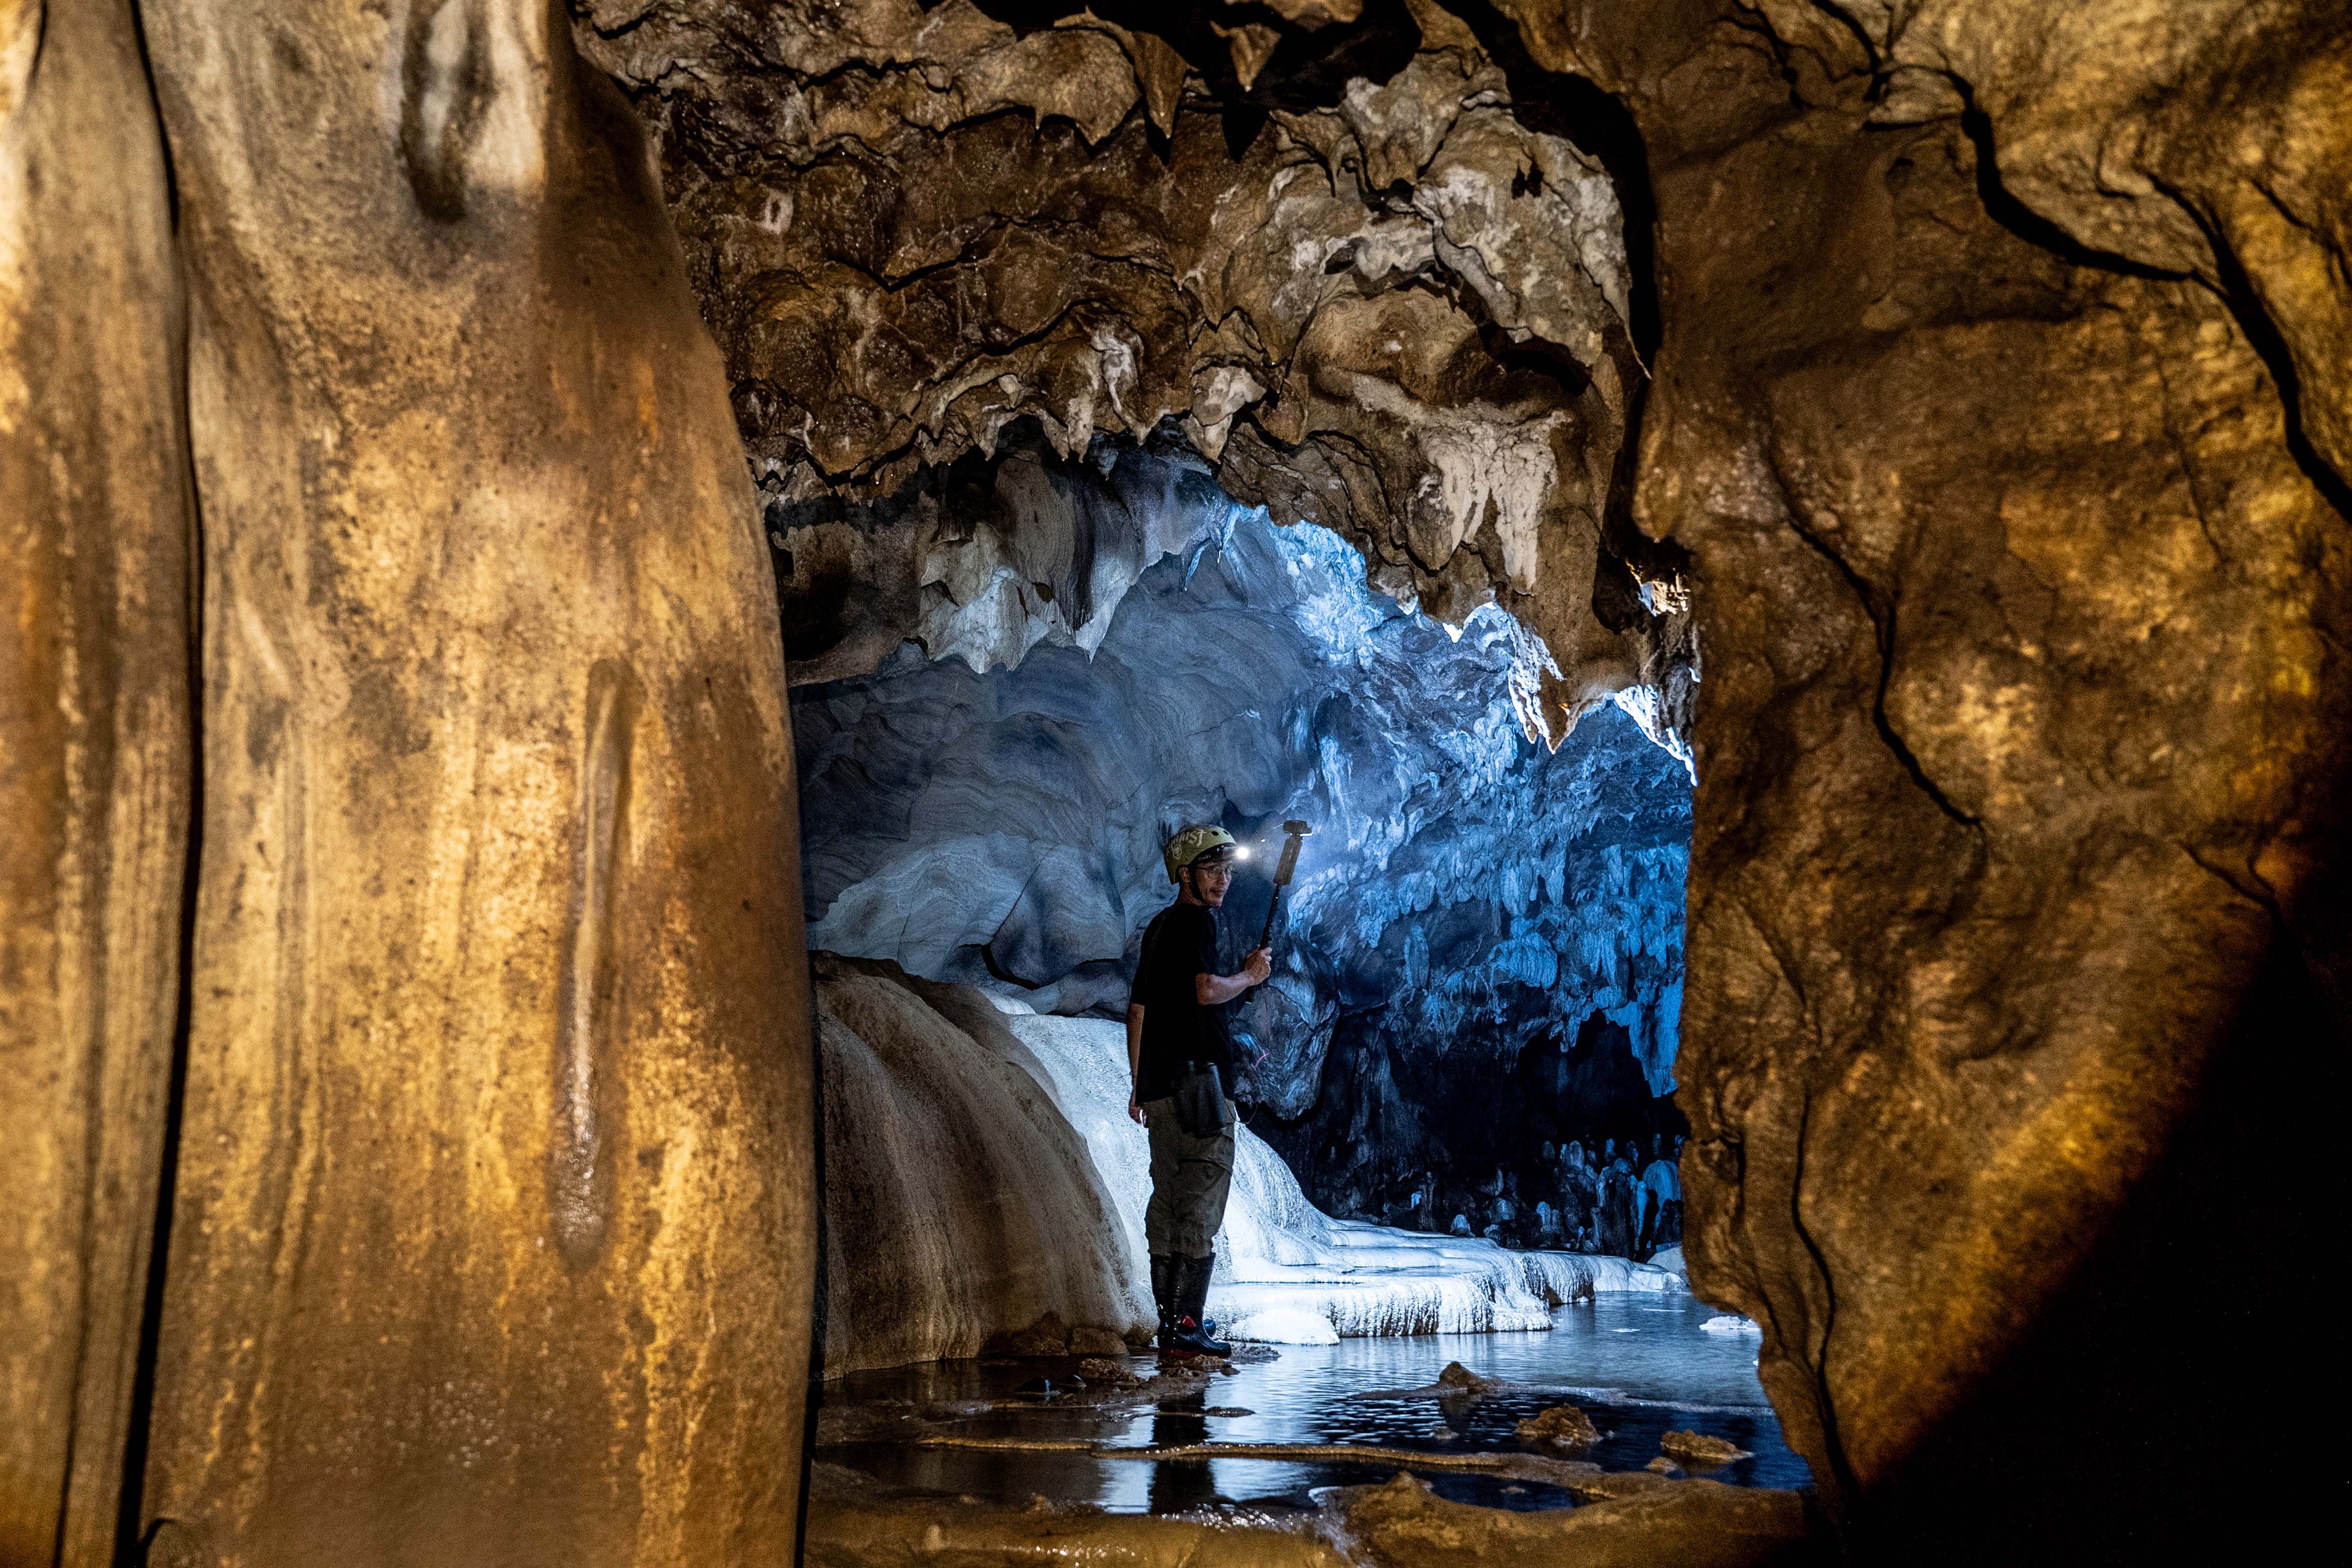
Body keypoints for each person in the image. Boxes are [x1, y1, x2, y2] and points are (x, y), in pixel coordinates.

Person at [1127, 825, 1271, 1359]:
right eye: (1212, 871)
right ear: (1184, 875)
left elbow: (1137, 1009)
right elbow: (1206, 990)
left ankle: (1169, 1325)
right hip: (1201, 1088)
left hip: (1162, 1091)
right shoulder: (1195, 923)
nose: (1223, 881)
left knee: (1165, 1202)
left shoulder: (1158, 928)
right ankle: (1188, 1326)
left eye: (1228, 871)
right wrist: (1250, 976)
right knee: (1200, 1205)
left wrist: (1138, 1087)